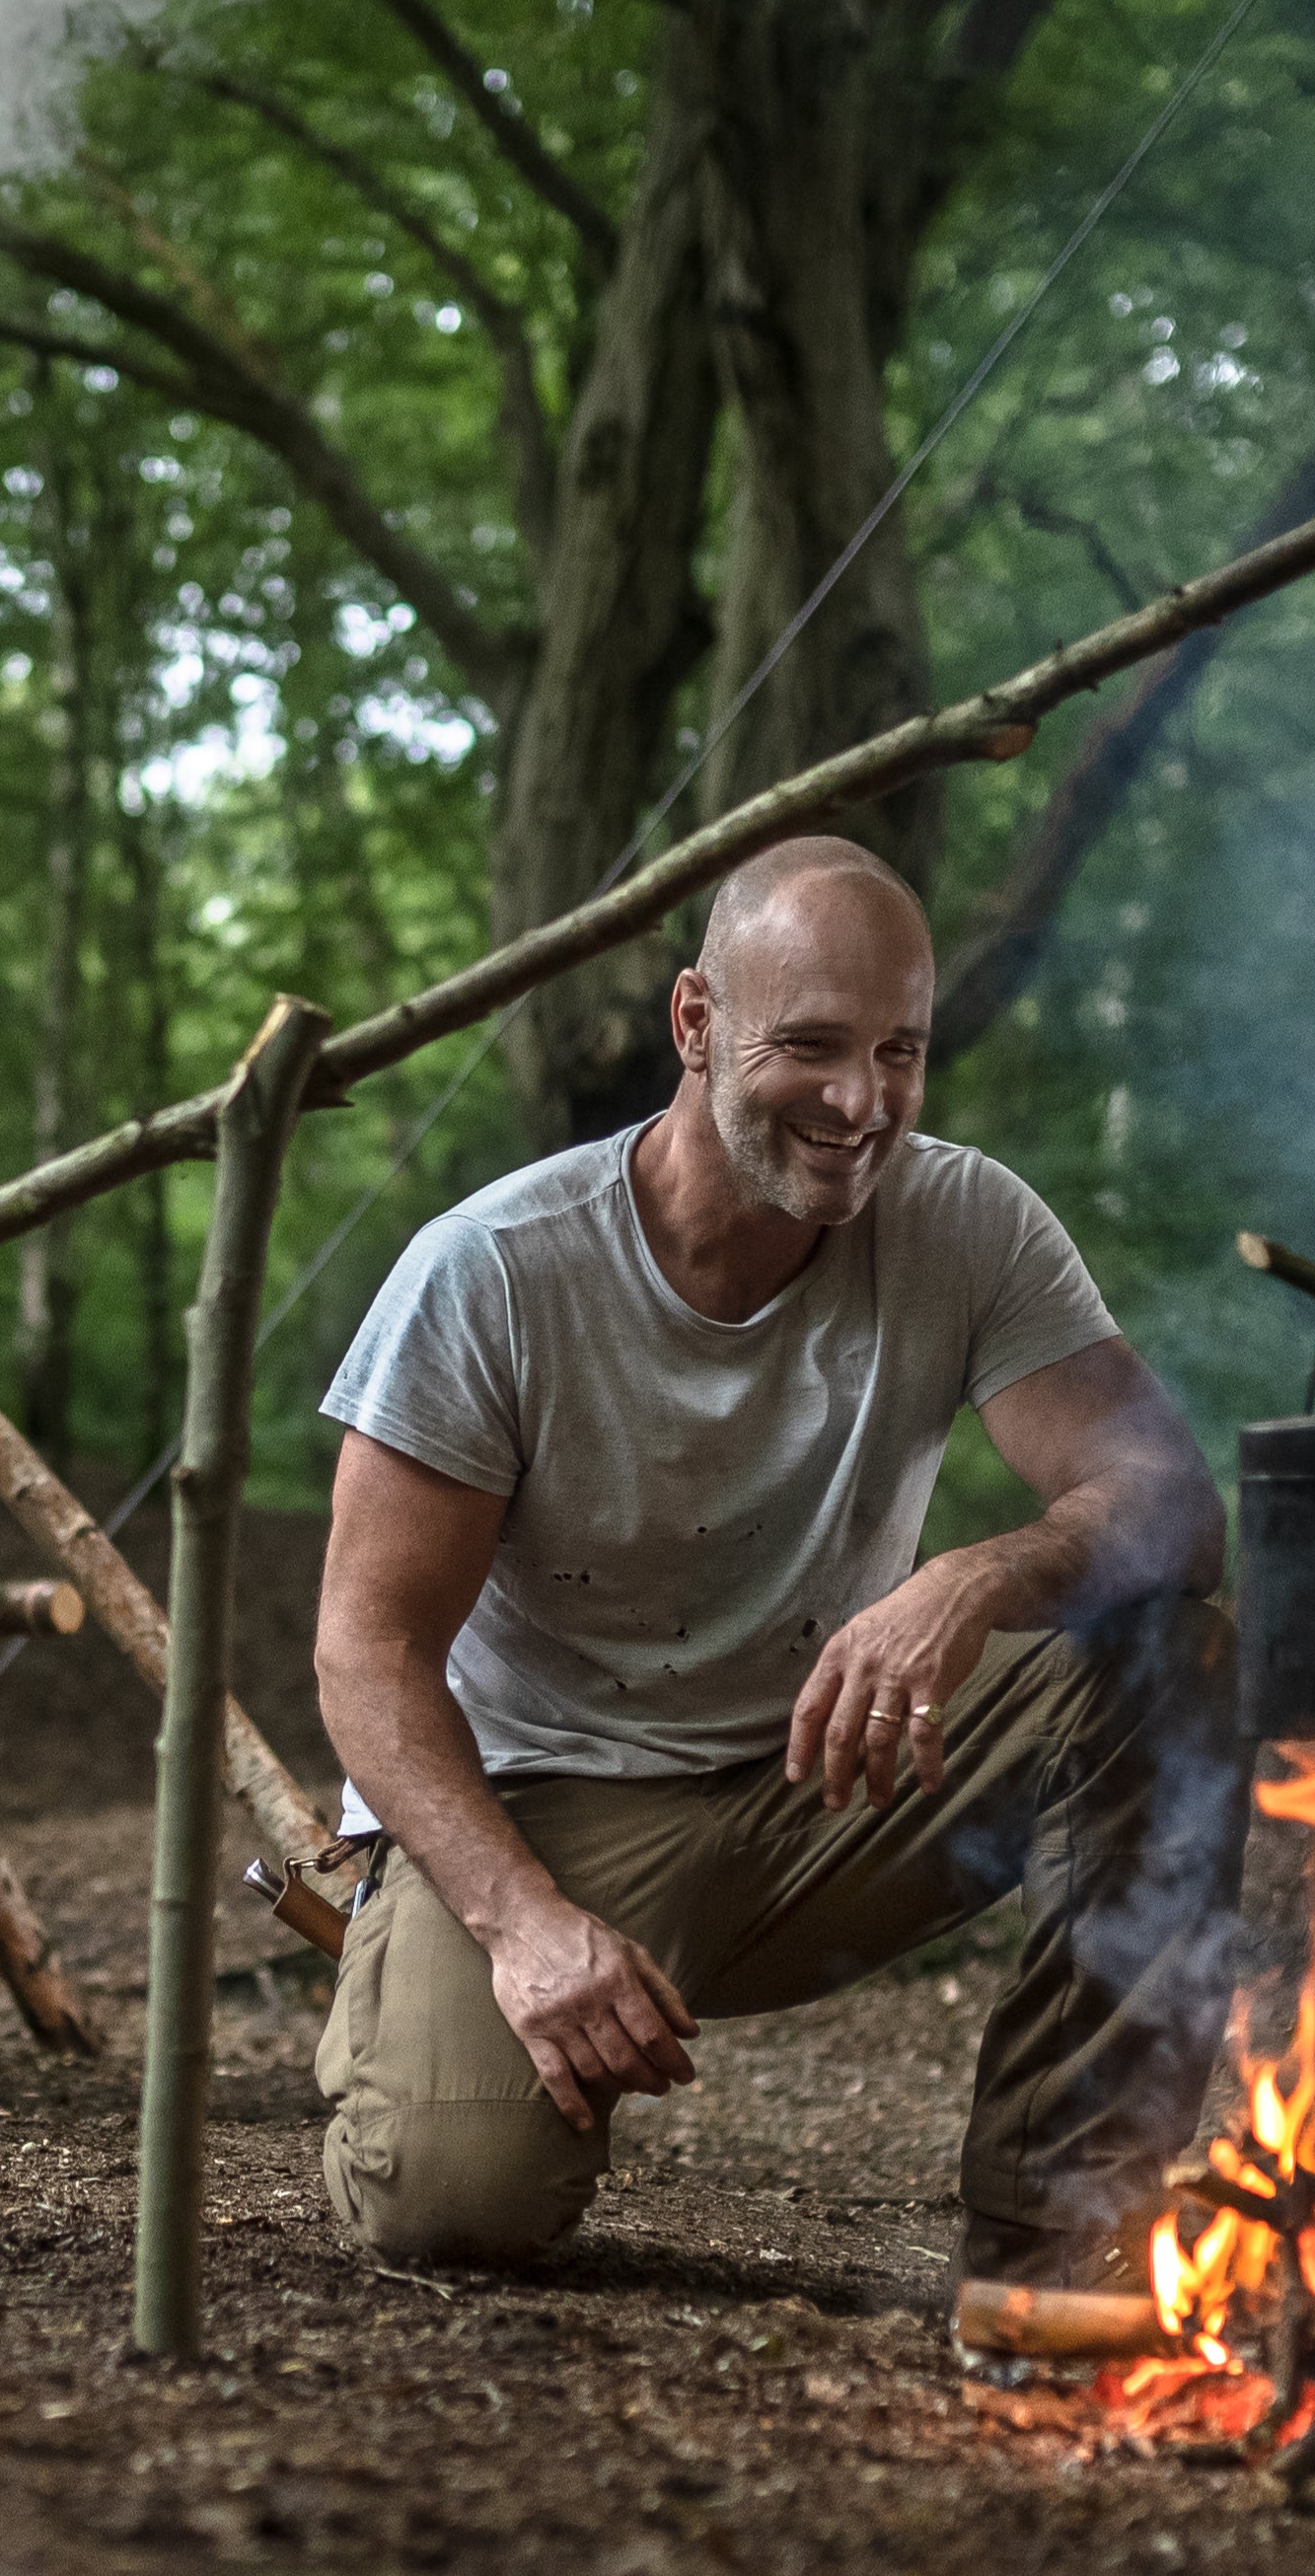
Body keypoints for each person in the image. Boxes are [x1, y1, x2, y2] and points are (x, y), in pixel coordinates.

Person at [308, 834, 1237, 2327]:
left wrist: (980, 1576)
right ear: (695, 1024)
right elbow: (365, 1649)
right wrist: (521, 1923)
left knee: (1173, 1656)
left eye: (900, 1051)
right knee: (451, 2207)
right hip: (547, 1801)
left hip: (837, 1776)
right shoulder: (491, 1271)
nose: (861, 1102)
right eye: (808, 1044)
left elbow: (1173, 1508)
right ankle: (416, 1994)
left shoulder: (969, 1221)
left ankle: (1063, 2237)